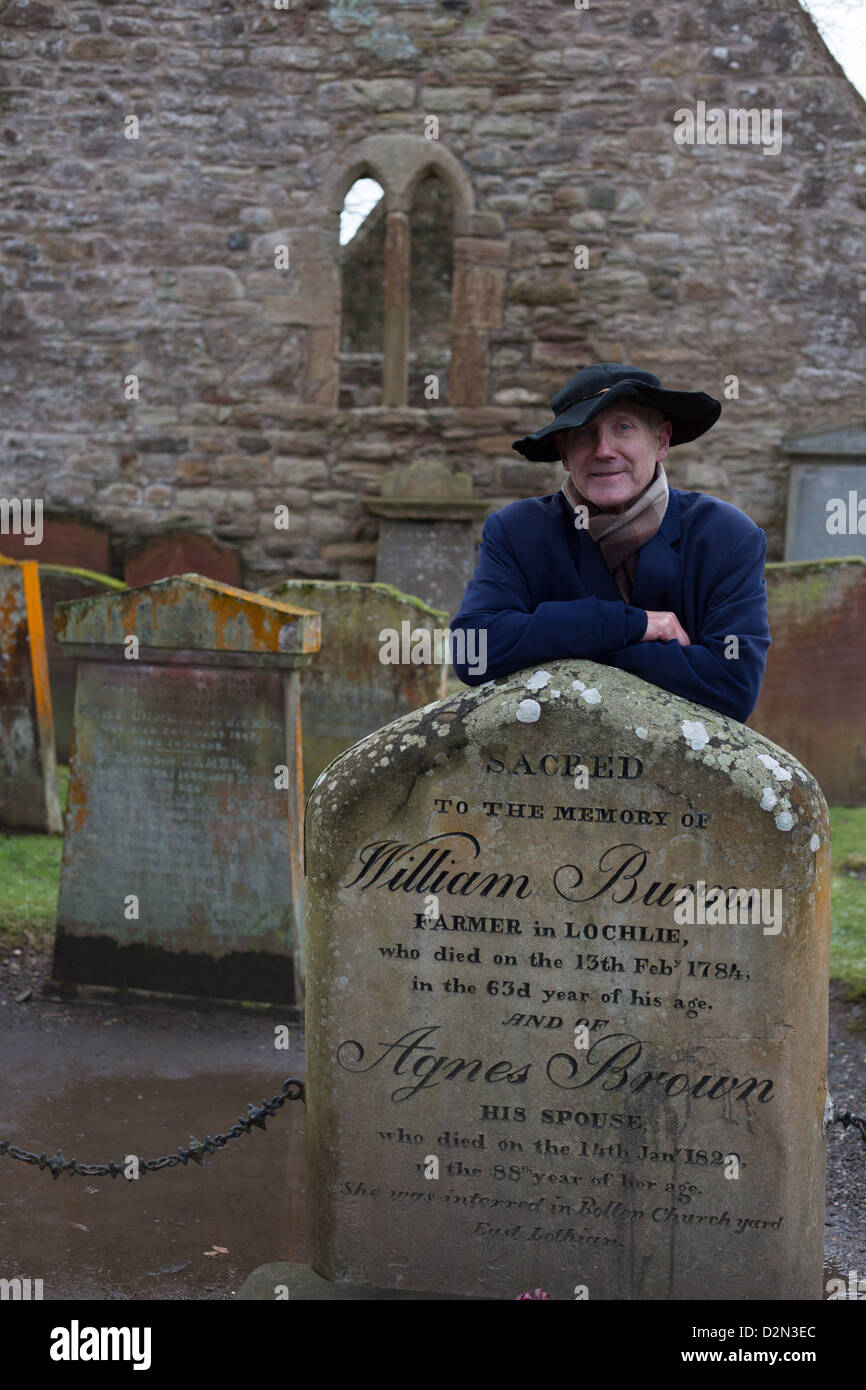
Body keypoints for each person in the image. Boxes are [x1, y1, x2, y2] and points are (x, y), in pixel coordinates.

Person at [449, 362, 770, 722]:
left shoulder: (727, 537)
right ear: (565, 454)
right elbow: (473, 650)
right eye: (584, 433)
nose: (604, 450)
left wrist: (571, 644)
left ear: (661, 442)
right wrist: (634, 625)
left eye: (623, 427)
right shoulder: (516, 531)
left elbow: (733, 685)